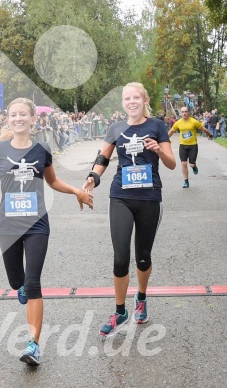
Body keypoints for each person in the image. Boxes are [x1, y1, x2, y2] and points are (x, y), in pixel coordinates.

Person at [0, 97, 93, 365]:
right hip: (7, 225)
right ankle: (21, 287)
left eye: (22, 114)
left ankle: (33, 345)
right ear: (8, 119)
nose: (17, 118)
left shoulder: (41, 149)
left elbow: (52, 181)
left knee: (33, 282)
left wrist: (76, 190)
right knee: (17, 282)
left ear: (31, 118)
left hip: (37, 224)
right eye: (13, 115)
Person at [83, 82, 176, 338]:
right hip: (121, 196)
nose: (132, 101)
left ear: (145, 100)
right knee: (121, 257)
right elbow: (102, 158)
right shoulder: (116, 128)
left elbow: (171, 163)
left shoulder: (157, 125)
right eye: (127, 98)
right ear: (123, 102)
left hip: (149, 197)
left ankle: (142, 298)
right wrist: (93, 177)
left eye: (136, 97)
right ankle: (120, 311)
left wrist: (158, 149)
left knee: (143, 257)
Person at [168, 107, 212, 188]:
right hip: (183, 146)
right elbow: (171, 131)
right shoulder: (178, 123)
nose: (184, 113)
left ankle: (194, 166)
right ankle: (186, 181)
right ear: (180, 113)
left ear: (188, 112)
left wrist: (210, 134)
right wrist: (164, 139)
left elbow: (203, 128)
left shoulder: (193, 121)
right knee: (183, 163)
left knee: (191, 164)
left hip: (193, 146)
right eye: (182, 112)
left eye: (186, 112)